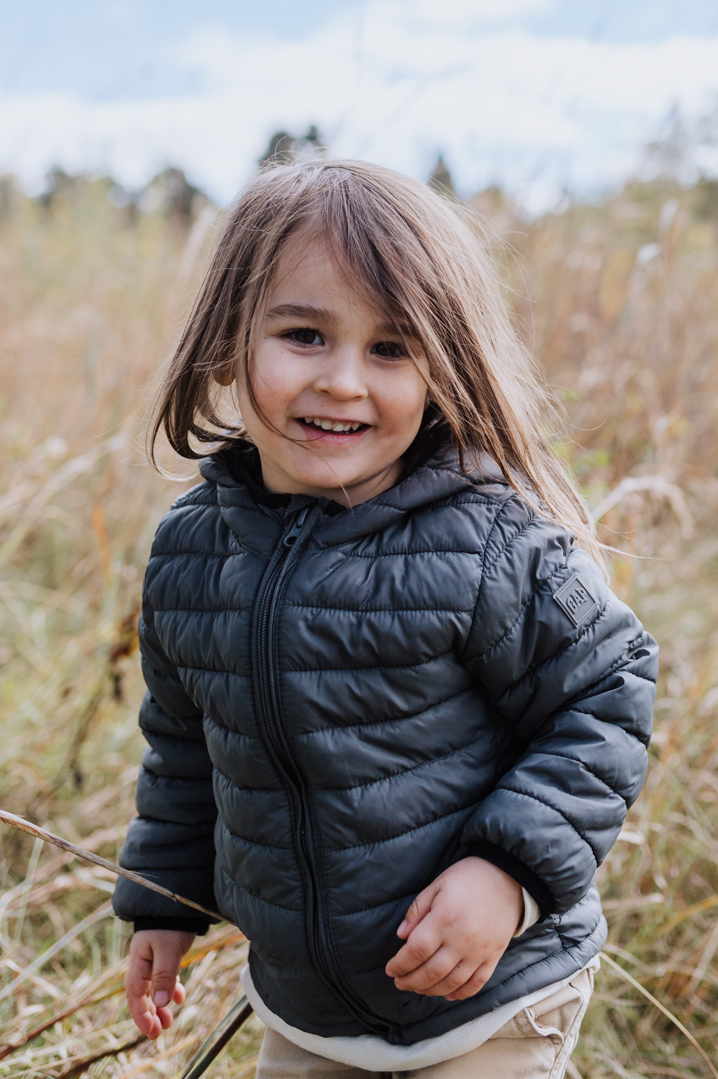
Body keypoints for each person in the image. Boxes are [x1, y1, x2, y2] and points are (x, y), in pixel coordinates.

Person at [114, 159, 658, 1079]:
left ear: (445, 363)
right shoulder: (193, 552)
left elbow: (605, 697)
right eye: (303, 334)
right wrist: (164, 902)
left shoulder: (489, 541)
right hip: (307, 1008)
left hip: (492, 997)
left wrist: (508, 875)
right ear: (226, 341)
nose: (343, 381)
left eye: (391, 350)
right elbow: (182, 745)